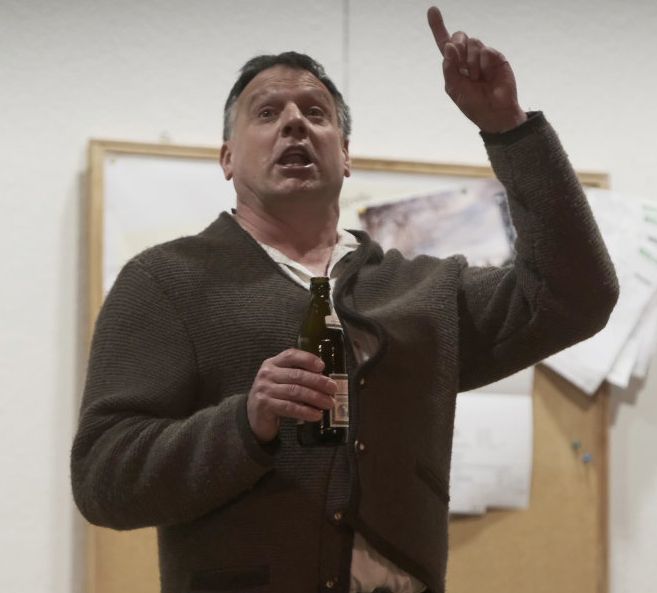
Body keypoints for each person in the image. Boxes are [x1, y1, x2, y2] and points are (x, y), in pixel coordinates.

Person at [71, 6, 618, 593]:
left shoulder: (426, 291)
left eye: (315, 113)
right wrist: (244, 423)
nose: (294, 124)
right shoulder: (166, 282)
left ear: (347, 155)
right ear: (227, 158)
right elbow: (103, 479)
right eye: (267, 113)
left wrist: (509, 129)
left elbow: (576, 295)